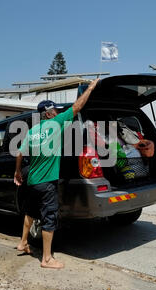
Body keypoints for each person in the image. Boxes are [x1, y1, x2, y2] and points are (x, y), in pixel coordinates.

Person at [14, 78, 100, 269]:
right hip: (47, 183)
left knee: (30, 211)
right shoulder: (56, 123)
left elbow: (19, 153)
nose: (57, 112)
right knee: (49, 217)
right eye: (54, 110)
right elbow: (77, 107)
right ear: (48, 113)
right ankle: (46, 259)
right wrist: (91, 89)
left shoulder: (33, 131)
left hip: (33, 181)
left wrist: (18, 172)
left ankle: (23, 242)